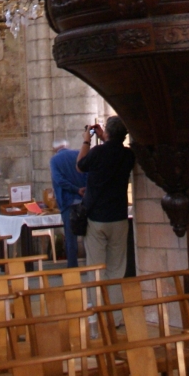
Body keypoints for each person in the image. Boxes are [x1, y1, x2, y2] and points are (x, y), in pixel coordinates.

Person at [76, 116, 134, 279]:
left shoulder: (97, 152)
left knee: (96, 268)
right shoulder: (128, 155)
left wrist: (87, 141)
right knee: (116, 267)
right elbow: (111, 173)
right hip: (119, 217)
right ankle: (114, 303)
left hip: (97, 218)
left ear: (107, 132)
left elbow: (80, 166)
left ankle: (99, 303)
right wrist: (106, 138)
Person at [49, 139, 83, 268]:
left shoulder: (54, 160)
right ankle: (92, 265)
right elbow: (87, 172)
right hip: (84, 199)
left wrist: (75, 190)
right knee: (89, 234)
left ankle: (73, 266)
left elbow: (59, 180)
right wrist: (83, 189)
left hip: (68, 201)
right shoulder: (78, 154)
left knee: (70, 237)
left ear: (55, 149)